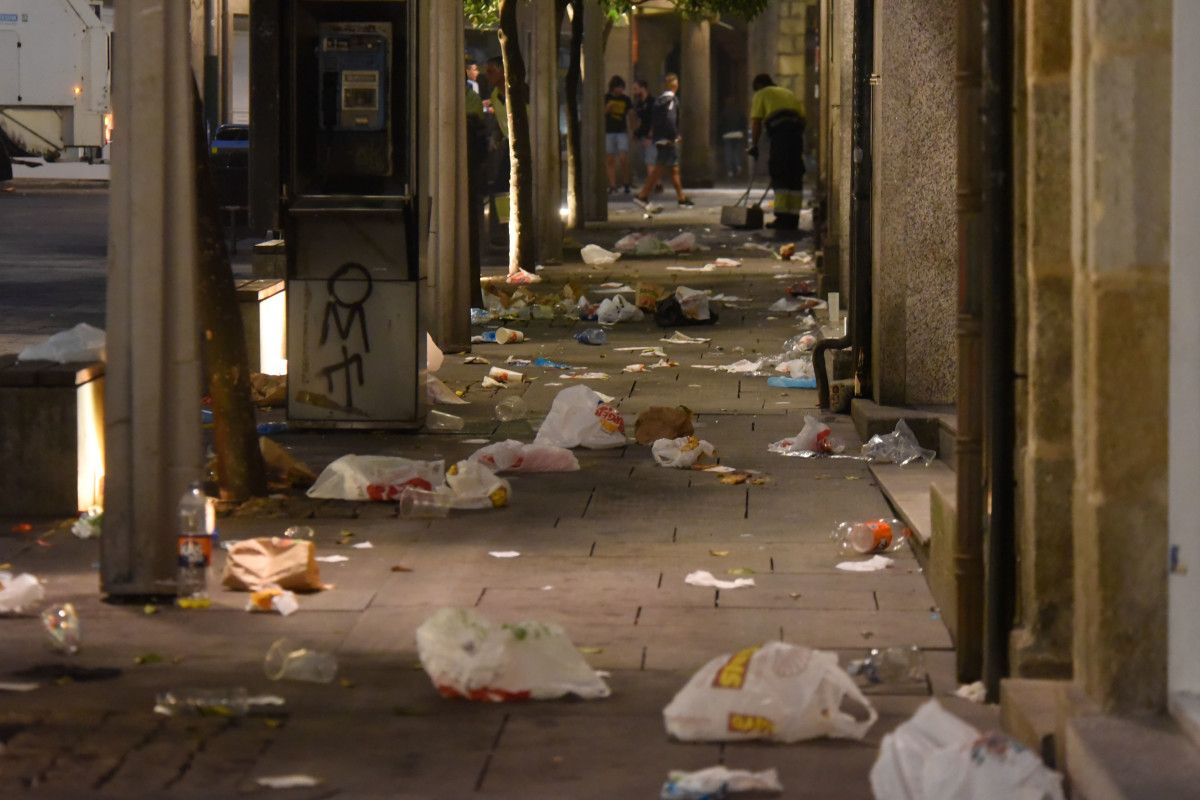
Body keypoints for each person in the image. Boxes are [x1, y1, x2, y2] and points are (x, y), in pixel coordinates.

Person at [747, 73, 805, 230]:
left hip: (780, 137)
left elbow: (756, 122)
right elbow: (802, 118)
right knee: (794, 174)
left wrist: (754, 145)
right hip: (796, 137)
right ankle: (793, 218)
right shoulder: (788, 93)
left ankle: (782, 218)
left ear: (759, 85)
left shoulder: (761, 93)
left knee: (779, 173)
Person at [633, 74, 693, 212]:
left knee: (673, 169)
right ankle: (642, 195)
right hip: (668, 140)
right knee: (659, 169)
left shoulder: (659, 100)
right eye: (676, 81)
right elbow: (670, 119)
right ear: (674, 84)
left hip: (659, 138)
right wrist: (674, 136)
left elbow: (655, 120)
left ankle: (681, 198)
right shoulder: (671, 100)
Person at [604, 75, 634, 194]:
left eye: (622, 88)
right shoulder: (606, 98)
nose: (621, 90)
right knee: (610, 159)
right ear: (613, 88)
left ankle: (626, 183)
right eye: (619, 88)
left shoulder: (626, 99)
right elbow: (602, 113)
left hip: (622, 131)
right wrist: (608, 108)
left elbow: (631, 113)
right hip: (609, 131)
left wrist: (632, 129)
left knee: (623, 158)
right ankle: (612, 185)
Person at [630, 79, 657, 188]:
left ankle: (650, 185)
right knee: (649, 160)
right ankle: (657, 183)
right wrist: (635, 133)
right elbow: (637, 119)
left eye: (636, 89)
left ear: (643, 88)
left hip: (650, 136)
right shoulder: (639, 103)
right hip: (642, 135)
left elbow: (655, 120)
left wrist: (650, 135)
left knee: (650, 161)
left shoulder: (652, 102)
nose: (634, 92)